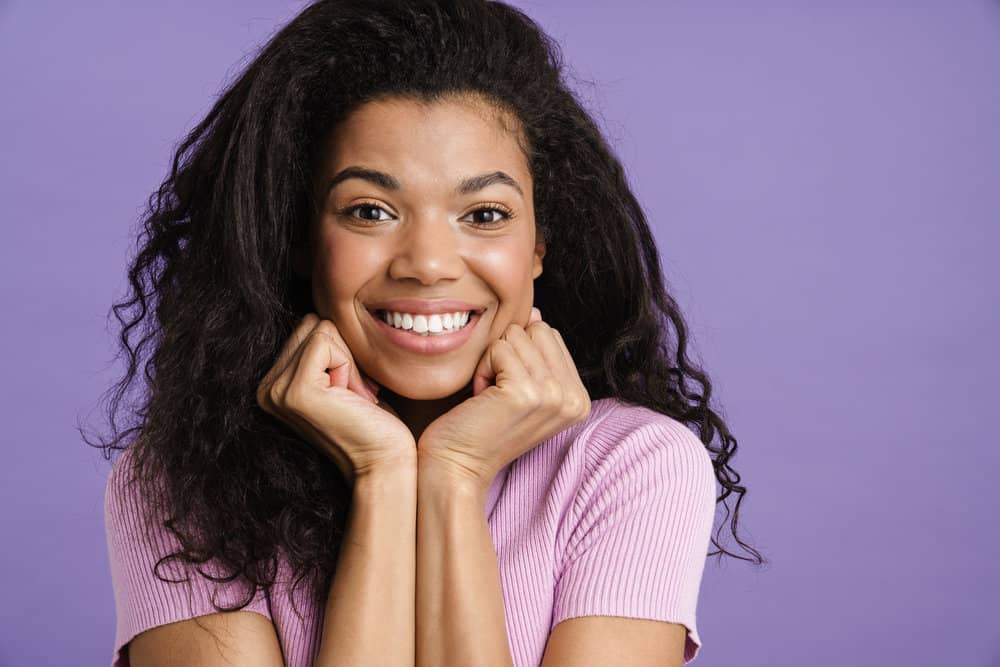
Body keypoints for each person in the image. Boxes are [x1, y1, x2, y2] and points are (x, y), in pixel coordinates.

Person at [92, 0, 765, 665]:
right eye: (371, 209)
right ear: (297, 236)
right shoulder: (181, 483)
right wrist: (382, 478)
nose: (429, 264)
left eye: (484, 213)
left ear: (541, 243)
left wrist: (454, 476)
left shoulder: (633, 466)